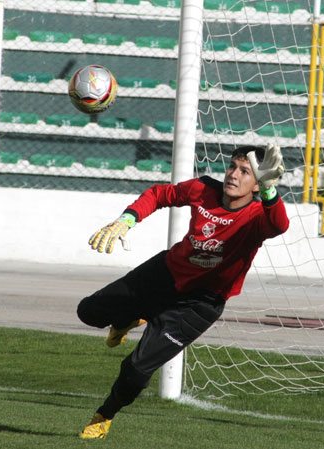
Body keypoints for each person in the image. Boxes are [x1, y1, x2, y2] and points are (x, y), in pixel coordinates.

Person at [76, 144, 289, 439]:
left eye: (245, 171)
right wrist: (127, 219)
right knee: (88, 312)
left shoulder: (256, 217)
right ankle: (127, 319)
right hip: (164, 274)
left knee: (136, 370)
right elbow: (160, 194)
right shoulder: (203, 189)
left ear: (257, 184)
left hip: (199, 305)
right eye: (232, 166)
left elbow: (279, 225)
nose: (233, 175)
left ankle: (104, 416)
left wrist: (269, 191)